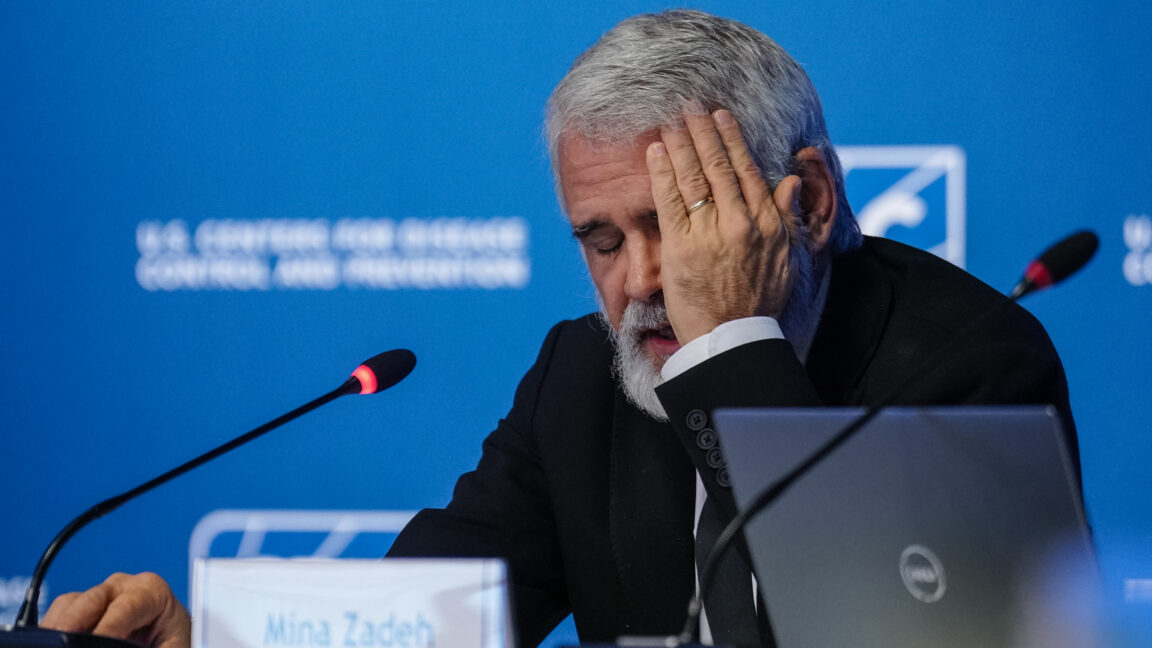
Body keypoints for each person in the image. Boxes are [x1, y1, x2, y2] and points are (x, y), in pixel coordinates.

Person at [41, 9, 1075, 648]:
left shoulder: (973, 364)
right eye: (602, 240)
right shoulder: (583, 376)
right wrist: (211, 646)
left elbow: (891, 630)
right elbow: (422, 619)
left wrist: (728, 348)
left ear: (802, 202)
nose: (640, 283)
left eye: (680, 224)